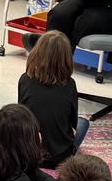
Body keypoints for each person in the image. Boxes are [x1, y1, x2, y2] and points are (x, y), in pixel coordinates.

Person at [18, 31, 89, 167]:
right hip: (60, 159)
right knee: (83, 121)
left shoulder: (25, 79)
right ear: (67, 58)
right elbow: (73, 125)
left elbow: (20, 115)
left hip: (28, 155)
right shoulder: (70, 84)